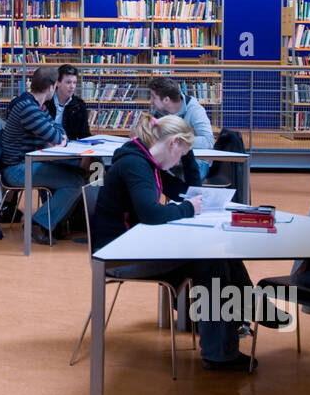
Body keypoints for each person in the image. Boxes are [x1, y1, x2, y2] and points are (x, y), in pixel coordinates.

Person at [90, 113, 259, 371]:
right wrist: (189, 210)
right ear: (172, 144)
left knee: (220, 257)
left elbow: (186, 193)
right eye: (181, 154)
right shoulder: (135, 165)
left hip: (136, 245)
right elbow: (152, 213)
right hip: (119, 255)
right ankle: (225, 344)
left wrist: (188, 155)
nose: (179, 161)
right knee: (212, 263)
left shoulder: (148, 162)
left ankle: (233, 324)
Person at [1, 66, 85, 246]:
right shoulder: (28, 108)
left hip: (27, 164)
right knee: (75, 183)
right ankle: (38, 223)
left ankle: (53, 223)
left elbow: (60, 132)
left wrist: (58, 137)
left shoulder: (36, 105)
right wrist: (58, 137)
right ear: (51, 87)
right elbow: (56, 137)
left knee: (76, 175)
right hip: (17, 169)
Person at [147, 76, 215, 179]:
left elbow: (208, 142)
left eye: (153, 97)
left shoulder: (195, 110)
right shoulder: (159, 112)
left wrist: (177, 141)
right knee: (145, 170)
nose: (150, 101)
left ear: (166, 100)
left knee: (181, 180)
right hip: (169, 159)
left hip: (196, 160)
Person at [44, 63, 91, 141]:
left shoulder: (79, 105)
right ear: (57, 83)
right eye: (68, 82)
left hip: (69, 148)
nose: (72, 86)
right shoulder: (46, 102)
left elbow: (84, 134)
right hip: (45, 146)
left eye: (74, 83)